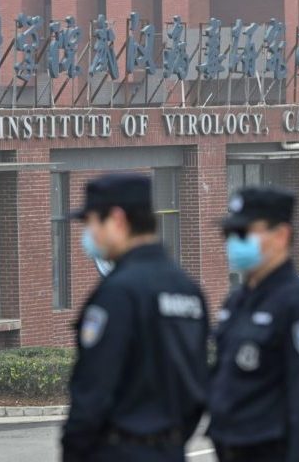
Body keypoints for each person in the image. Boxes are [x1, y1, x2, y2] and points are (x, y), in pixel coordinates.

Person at [62, 174, 209, 462]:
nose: (88, 234)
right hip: (170, 451)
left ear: (117, 220)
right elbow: (197, 386)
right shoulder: (187, 289)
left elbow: (92, 391)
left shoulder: (118, 293)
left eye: (91, 222)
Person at [208, 186, 299, 462]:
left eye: (243, 233)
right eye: (229, 234)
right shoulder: (238, 302)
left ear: (281, 235)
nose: (233, 242)